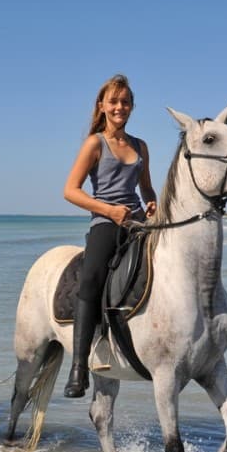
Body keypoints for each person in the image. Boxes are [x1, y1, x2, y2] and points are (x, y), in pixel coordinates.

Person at [61, 74, 157, 398]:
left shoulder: (141, 145)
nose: (120, 107)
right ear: (102, 106)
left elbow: (145, 188)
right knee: (90, 280)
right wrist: (108, 210)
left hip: (137, 222)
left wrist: (152, 203)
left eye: (125, 101)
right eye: (114, 101)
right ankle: (78, 367)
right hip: (105, 222)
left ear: (132, 107)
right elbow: (70, 192)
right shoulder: (94, 143)